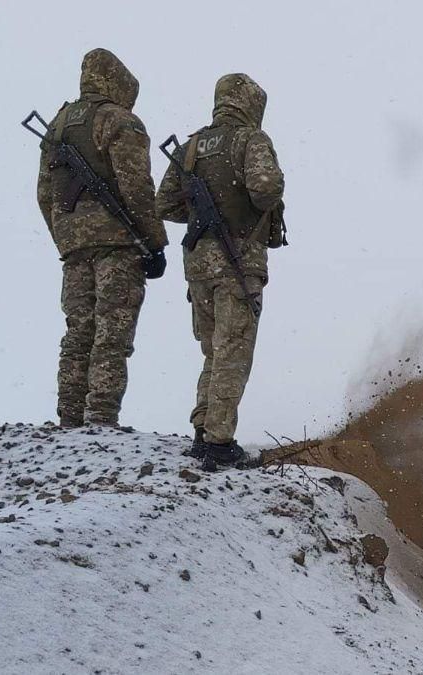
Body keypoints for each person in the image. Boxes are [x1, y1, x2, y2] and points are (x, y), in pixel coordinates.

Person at [156, 73, 285, 469]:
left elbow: (165, 204)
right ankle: (219, 442)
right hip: (238, 261)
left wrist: (203, 217)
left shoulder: (192, 146)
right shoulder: (251, 140)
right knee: (233, 351)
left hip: (198, 266)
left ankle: (203, 427)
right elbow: (266, 188)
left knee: (213, 349)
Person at [36, 48, 167, 429]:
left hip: (75, 249)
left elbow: (45, 195)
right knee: (112, 332)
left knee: (78, 332)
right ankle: (101, 420)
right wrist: (154, 241)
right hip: (118, 244)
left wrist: (67, 236)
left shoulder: (58, 126)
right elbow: (137, 186)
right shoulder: (119, 120)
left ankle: (70, 418)